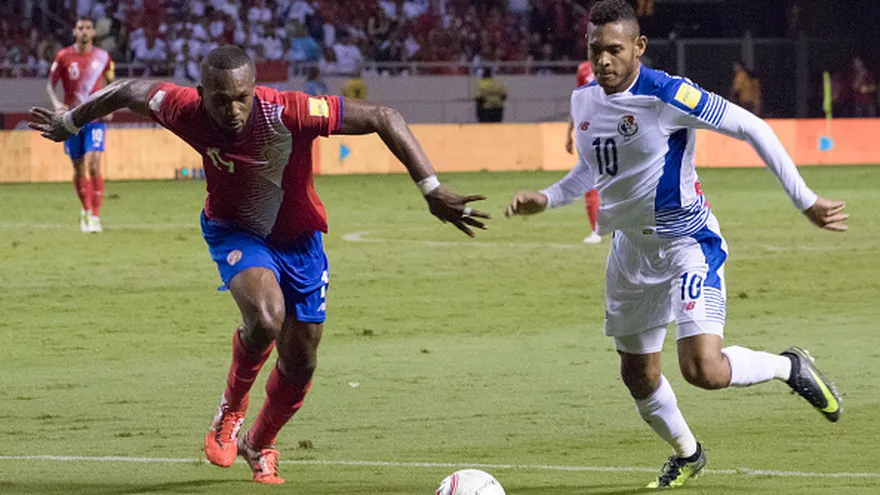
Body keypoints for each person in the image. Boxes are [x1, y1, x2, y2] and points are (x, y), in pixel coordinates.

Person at [29, 45, 490, 485]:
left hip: (300, 239)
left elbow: (384, 117)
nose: (233, 110)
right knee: (266, 317)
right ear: (202, 92)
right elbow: (128, 90)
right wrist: (71, 121)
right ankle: (230, 410)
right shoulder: (181, 109)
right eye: (221, 99)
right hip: (236, 231)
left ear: (255, 89)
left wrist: (432, 189)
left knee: (302, 358)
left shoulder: (289, 111)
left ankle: (260, 443)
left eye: (242, 98)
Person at [504, 1, 844, 488]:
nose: (603, 61)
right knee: (638, 376)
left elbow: (752, 126)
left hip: (687, 243)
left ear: (639, 47)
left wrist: (805, 200)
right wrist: (548, 197)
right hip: (629, 253)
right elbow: (592, 171)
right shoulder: (584, 101)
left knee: (702, 368)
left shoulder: (668, 95)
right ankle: (688, 453)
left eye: (614, 50)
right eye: (594, 50)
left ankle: (788, 366)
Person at [47, 16, 115, 233]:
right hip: (71, 119)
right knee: (78, 168)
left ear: (94, 32)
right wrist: (57, 104)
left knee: (94, 163)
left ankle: (95, 216)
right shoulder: (63, 56)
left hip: (95, 118)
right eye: (80, 28)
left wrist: (111, 107)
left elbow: (111, 84)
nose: (84, 32)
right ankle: (85, 209)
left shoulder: (103, 57)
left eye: (88, 28)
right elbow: (50, 85)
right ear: (74, 32)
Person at [566, 60, 601, 244]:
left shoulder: (618, 63)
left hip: (615, 131)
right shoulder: (583, 69)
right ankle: (596, 230)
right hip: (589, 133)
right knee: (589, 182)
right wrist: (569, 132)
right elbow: (577, 101)